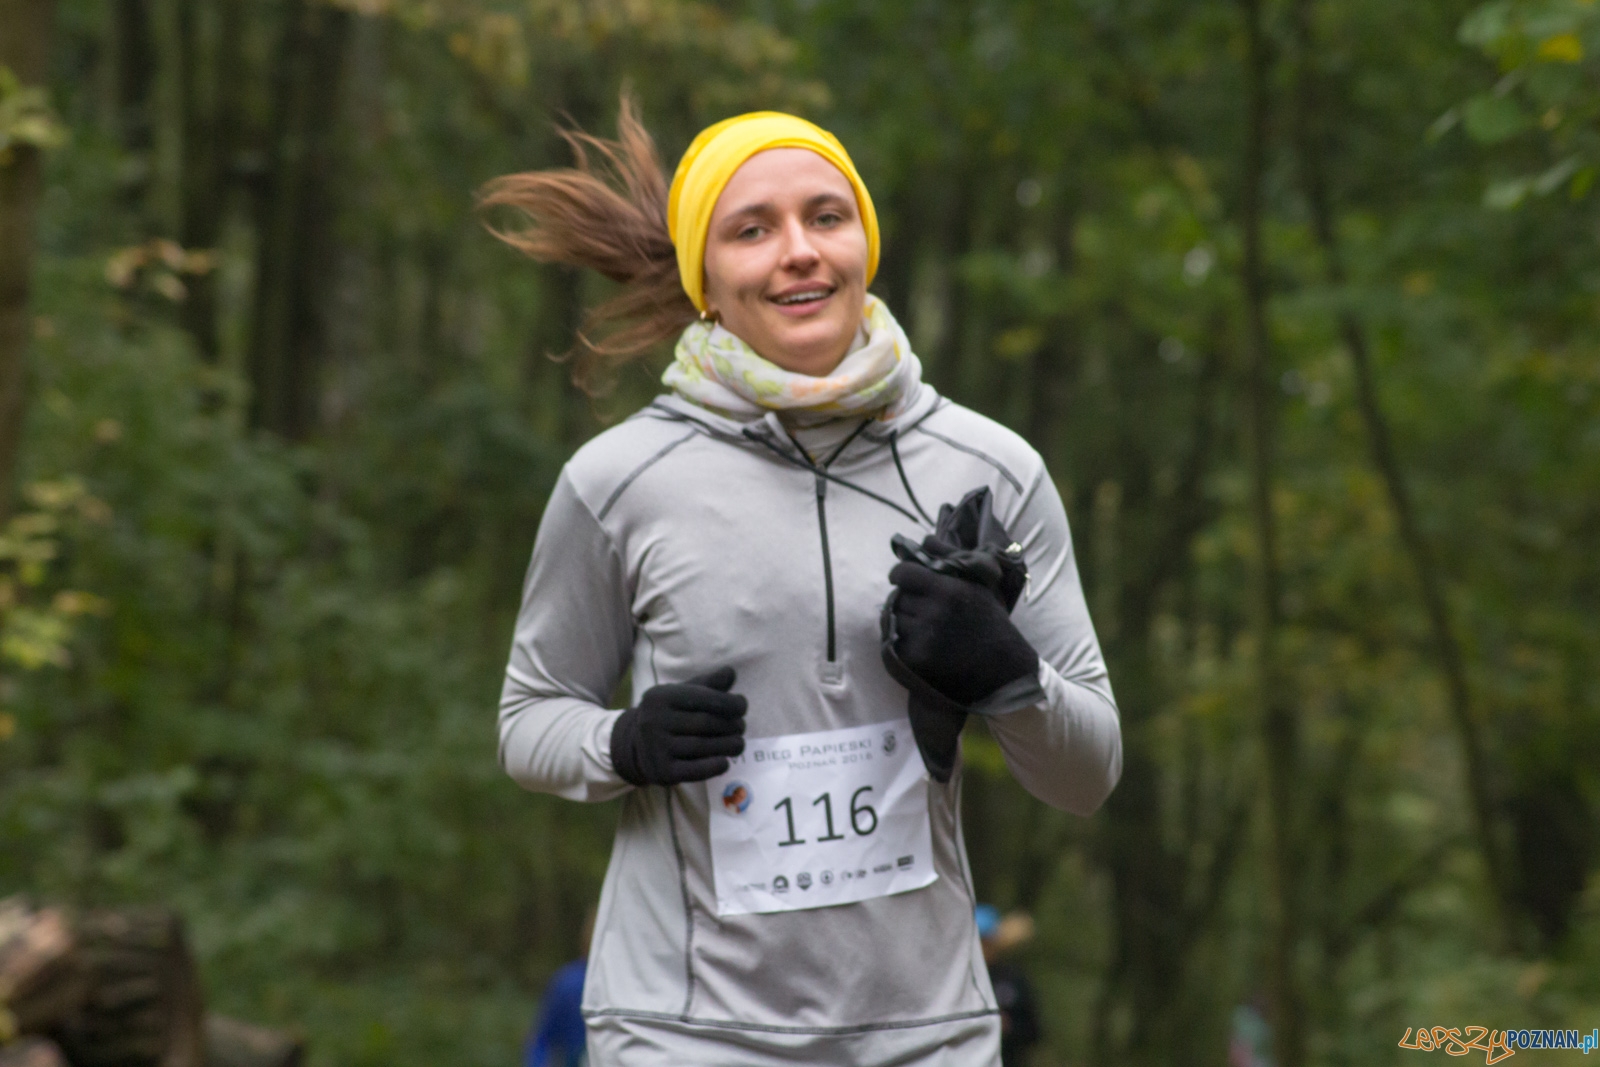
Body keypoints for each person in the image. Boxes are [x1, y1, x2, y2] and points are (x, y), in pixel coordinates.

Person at [485, 98, 1122, 1066]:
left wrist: (1008, 673)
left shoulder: (992, 466)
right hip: (680, 1028)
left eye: (827, 216)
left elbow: (1087, 775)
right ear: (703, 278)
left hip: (927, 1034)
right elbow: (528, 718)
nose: (799, 251)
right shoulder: (617, 481)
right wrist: (622, 741)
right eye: (752, 230)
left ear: (865, 243)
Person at [975, 905, 1042, 1067]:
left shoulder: (1012, 979)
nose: (982, 947)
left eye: (986, 941)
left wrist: (1008, 1026)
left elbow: (1034, 1030)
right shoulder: (959, 980)